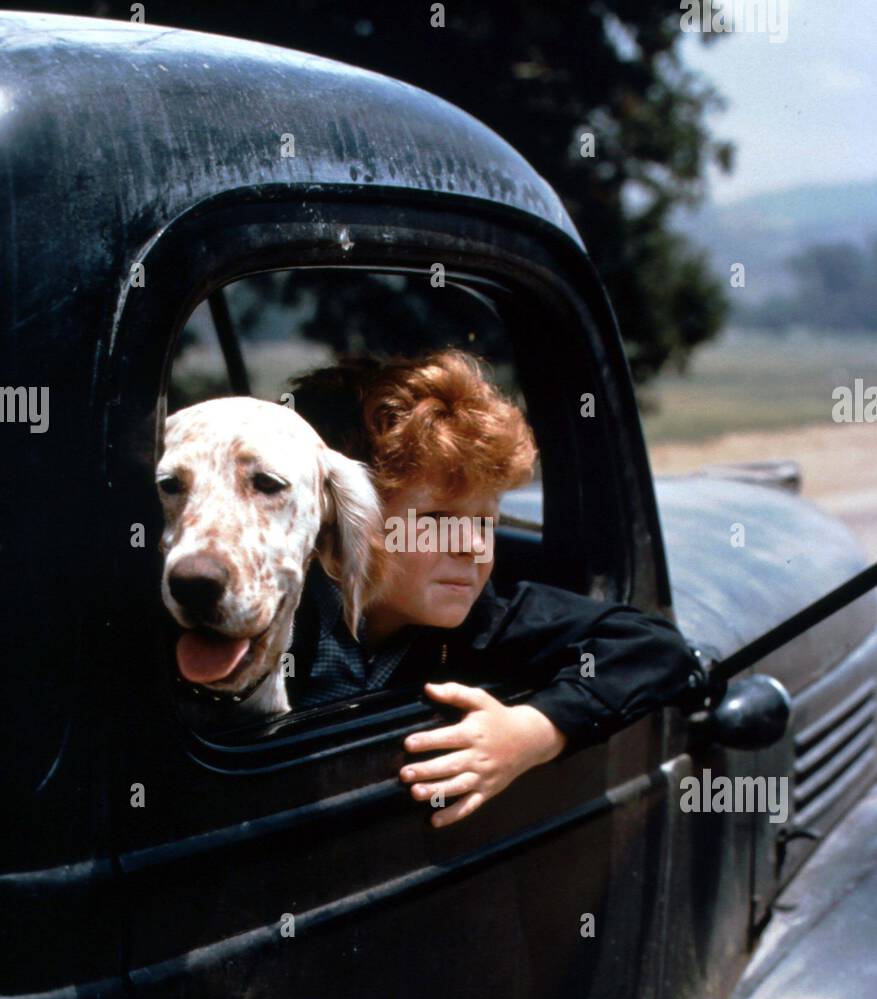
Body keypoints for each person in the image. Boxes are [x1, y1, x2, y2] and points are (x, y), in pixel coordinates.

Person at [287, 350, 710, 828]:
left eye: (486, 521)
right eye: (436, 520)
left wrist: (531, 732)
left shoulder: (482, 621)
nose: (473, 547)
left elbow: (653, 647)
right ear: (343, 517)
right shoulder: (277, 614)